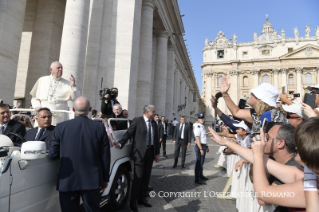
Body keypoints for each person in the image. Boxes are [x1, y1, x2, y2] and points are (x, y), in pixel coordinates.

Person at [48, 97, 110, 212]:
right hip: (92, 180)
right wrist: (105, 178)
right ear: (90, 109)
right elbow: (105, 156)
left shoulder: (61, 127)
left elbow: (52, 154)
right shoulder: (99, 127)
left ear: (73, 109)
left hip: (67, 179)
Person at [113, 105, 160, 212]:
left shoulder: (153, 123)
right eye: (153, 111)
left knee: (146, 177)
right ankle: (132, 202)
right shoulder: (137, 121)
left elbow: (156, 139)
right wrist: (120, 144)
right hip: (139, 154)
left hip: (150, 152)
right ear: (148, 112)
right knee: (137, 178)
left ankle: (142, 199)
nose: (155, 113)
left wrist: (157, 153)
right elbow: (128, 133)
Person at [220, 77, 288, 138]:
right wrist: (225, 93)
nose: (250, 94)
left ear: (260, 99)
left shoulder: (272, 115)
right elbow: (236, 112)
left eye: (253, 93)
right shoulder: (256, 114)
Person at [30, 61, 81, 125]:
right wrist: (37, 106)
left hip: (61, 116)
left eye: (61, 68)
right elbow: (34, 97)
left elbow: (77, 98)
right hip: (44, 114)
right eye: (58, 68)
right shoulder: (42, 80)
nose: (60, 69)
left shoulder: (68, 83)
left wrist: (73, 86)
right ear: (51, 70)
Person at [194, 113, 209, 185]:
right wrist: (200, 149)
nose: (201, 120)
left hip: (203, 146)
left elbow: (203, 138)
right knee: (199, 163)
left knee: (201, 163)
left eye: (202, 118)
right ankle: (197, 178)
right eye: (200, 118)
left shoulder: (202, 126)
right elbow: (197, 138)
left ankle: (201, 175)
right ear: (198, 119)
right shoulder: (198, 127)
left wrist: (206, 146)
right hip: (199, 146)